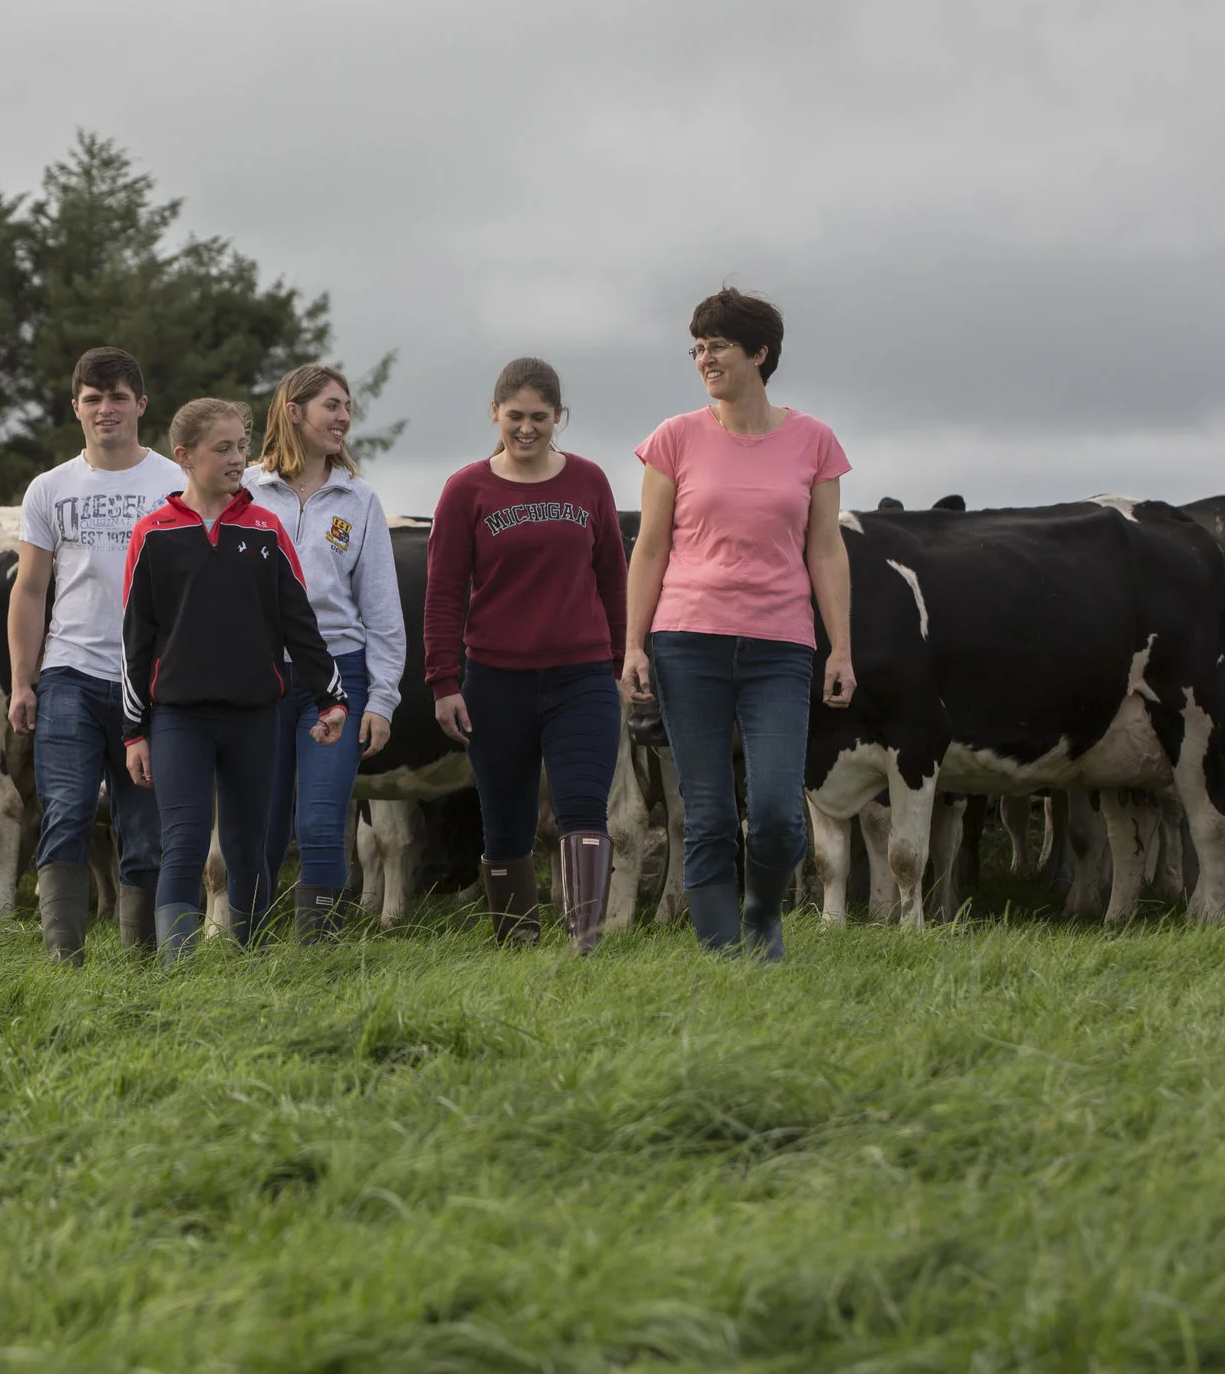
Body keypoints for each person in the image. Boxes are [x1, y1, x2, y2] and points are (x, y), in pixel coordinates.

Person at [623, 288, 854, 962]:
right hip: (687, 640)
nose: (705, 358)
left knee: (779, 812)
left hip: (781, 646)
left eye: (718, 345)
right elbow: (651, 548)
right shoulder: (673, 438)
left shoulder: (815, 441)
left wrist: (841, 648)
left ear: (759, 353)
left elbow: (826, 549)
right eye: (697, 347)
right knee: (709, 812)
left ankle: (761, 916)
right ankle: (725, 955)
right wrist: (633, 644)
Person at [121, 398, 347, 962]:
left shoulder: (267, 530)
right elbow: (135, 644)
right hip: (179, 719)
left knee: (249, 847)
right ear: (184, 456)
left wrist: (331, 698)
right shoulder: (151, 535)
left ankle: (248, 963)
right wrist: (134, 732)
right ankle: (177, 968)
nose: (237, 459)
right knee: (184, 842)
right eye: (222, 448)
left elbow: (300, 624)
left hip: (255, 716)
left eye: (241, 447)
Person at [424, 358, 629, 953]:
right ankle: (517, 945)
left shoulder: (588, 481)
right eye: (515, 415)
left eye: (540, 416)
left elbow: (613, 578)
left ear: (559, 416)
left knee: (583, 808)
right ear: (495, 412)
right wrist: (443, 682)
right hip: (495, 681)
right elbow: (443, 594)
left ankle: (584, 946)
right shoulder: (466, 490)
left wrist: (621, 662)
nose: (527, 428)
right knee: (506, 823)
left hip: (582, 678)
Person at [7, 347, 182, 963]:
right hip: (69, 674)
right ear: (76, 408)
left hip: (154, 681)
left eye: (117, 397)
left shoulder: (176, 484)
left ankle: (141, 963)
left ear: (141, 405)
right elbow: (30, 590)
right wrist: (22, 682)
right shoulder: (49, 488)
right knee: (65, 812)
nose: (106, 409)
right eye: (93, 398)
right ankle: (65, 961)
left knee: (146, 827)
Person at [244, 363, 404, 942]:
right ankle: (246, 948)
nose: (343, 418)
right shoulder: (244, 491)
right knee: (258, 825)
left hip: (337, 678)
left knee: (318, 822)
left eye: (347, 408)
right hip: (256, 679)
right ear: (294, 411)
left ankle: (319, 951)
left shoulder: (359, 499)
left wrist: (382, 699)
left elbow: (382, 610)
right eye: (331, 406)